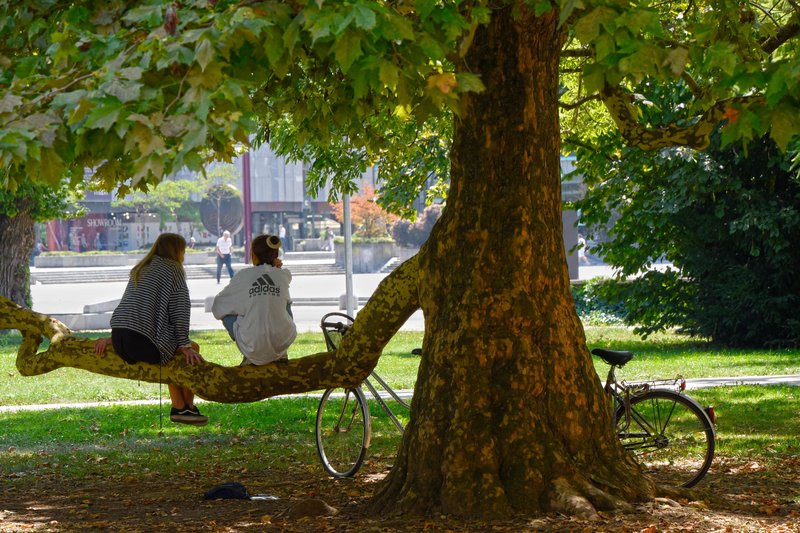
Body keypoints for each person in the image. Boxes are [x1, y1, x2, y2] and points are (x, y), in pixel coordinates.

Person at [93, 233, 208, 426]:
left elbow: (130, 306)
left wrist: (110, 339)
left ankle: (186, 408)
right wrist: (184, 344)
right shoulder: (174, 269)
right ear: (177, 251)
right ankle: (182, 407)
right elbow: (180, 309)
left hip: (120, 338)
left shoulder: (141, 267)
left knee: (180, 350)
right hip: (141, 340)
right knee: (191, 351)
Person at [212, 234, 297, 366]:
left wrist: (242, 310)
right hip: (282, 341)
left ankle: (250, 358)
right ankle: (280, 354)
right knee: (285, 303)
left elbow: (217, 307)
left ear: (254, 255)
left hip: (252, 346)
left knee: (228, 312)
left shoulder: (243, 276)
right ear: (276, 256)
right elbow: (278, 281)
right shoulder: (283, 275)